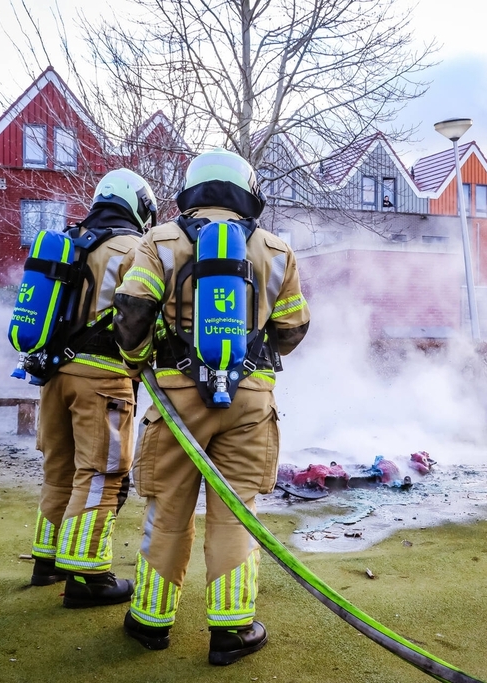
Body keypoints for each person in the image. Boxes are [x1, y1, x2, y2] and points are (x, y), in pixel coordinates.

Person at [112, 148, 310, 664]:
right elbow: (292, 331)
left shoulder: (160, 241)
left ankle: (150, 622)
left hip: (175, 399)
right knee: (236, 512)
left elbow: (132, 310)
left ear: (191, 189)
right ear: (247, 191)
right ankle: (231, 630)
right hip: (249, 402)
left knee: (168, 510)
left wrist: (137, 361)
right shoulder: (276, 249)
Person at [28, 169, 158, 609]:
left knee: (60, 469)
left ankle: (46, 561)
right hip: (102, 379)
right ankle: (87, 576)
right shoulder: (136, 249)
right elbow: (141, 317)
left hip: (54, 375)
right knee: (101, 473)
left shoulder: (69, 241)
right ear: (139, 207)